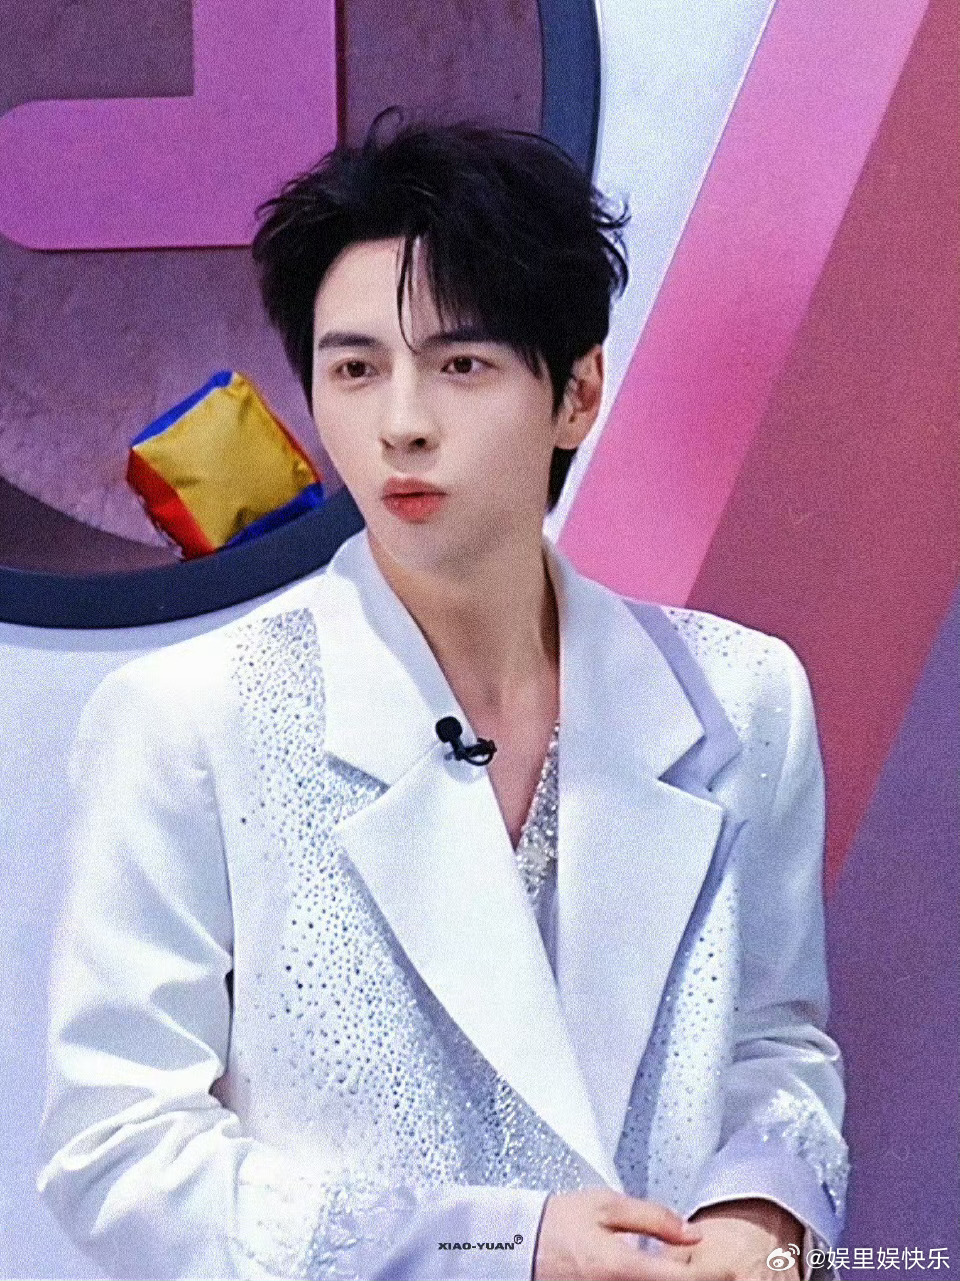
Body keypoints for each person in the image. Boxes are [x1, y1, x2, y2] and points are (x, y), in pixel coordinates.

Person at [37, 117, 849, 1280]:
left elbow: (773, 1042)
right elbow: (117, 1148)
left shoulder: (742, 696)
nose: (402, 423)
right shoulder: (188, 718)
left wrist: (762, 1223)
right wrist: (499, 1247)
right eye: (355, 369)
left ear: (577, 393)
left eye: (461, 365)